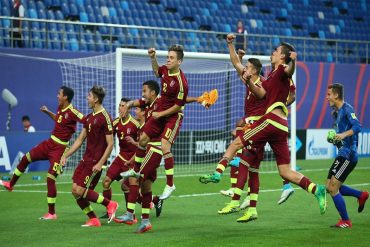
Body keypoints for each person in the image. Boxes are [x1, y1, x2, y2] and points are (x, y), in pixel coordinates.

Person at [202, 41, 327, 223]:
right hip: (281, 126)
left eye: (276, 51)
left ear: (282, 56)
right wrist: (248, 82)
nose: (273, 53)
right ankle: (316, 189)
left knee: (237, 142)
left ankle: (217, 173)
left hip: (270, 121)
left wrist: (293, 60)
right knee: (283, 171)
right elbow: (261, 93)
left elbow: (289, 72)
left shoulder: (283, 69)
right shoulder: (270, 77)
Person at [117, 80, 217, 233]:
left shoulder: (162, 102)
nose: (142, 94)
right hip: (149, 149)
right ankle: (145, 221)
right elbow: (138, 102)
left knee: (133, 179)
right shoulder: (147, 105)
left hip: (155, 149)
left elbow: (180, 101)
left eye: (145, 91)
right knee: (145, 187)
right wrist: (129, 104)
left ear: (153, 92)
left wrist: (198, 99)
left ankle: (130, 214)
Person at [0, 86, 84, 220]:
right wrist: (47, 112)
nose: (57, 96)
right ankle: (11, 184)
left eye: (59, 94)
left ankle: (52, 213)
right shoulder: (60, 107)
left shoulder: (73, 111)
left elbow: (86, 120)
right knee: (26, 158)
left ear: (65, 97)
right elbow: (59, 120)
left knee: (50, 178)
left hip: (60, 149)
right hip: (49, 144)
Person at [121, 45, 189, 201]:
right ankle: (136, 170)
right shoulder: (165, 70)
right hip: (160, 114)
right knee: (143, 139)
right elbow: (157, 71)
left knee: (165, 145)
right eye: (168, 56)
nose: (168, 59)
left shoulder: (182, 83)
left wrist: (161, 113)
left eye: (171, 58)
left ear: (179, 61)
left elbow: (178, 106)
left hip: (173, 116)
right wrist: (153, 58)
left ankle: (170, 184)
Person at [61, 86, 118, 227]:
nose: (87, 98)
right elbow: (80, 140)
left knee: (80, 190)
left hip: (95, 162)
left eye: (89, 96)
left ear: (96, 99)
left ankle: (110, 204)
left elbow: (110, 144)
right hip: (85, 160)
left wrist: (100, 163)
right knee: (75, 190)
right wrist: (65, 155)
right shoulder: (89, 117)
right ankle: (93, 218)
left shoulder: (105, 117)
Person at [325, 83, 368, 228]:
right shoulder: (336, 111)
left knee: (333, 188)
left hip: (348, 155)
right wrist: (335, 139)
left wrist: (342, 135)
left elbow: (357, 126)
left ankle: (346, 221)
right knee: (329, 186)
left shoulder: (348, 109)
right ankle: (360, 195)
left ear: (336, 95)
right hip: (342, 154)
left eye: (329, 94)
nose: (327, 97)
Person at [99, 98, 140, 219]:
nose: (120, 108)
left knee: (126, 186)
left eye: (123, 106)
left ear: (128, 108)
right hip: (121, 157)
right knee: (106, 182)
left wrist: (134, 159)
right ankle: (109, 209)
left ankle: (131, 212)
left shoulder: (135, 124)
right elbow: (107, 137)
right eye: (120, 106)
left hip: (133, 159)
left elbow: (142, 144)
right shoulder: (115, 123)